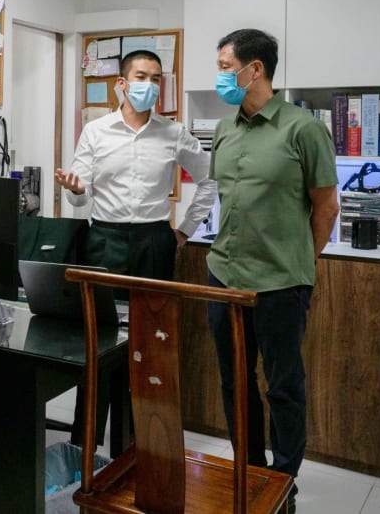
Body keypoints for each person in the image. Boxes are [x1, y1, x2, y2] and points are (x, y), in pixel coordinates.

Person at [206, 29, 339, 514]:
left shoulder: (303, 129)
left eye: (225, 65)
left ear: (254, 69)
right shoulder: (223, 130)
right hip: (224, 278)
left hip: (281, 284)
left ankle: (282, 482)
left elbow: (326, 208)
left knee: (282, 386)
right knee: (233, 382)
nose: (221, 74)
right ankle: (249, 471)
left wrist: (301, 261)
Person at [55, 48, 216, 444]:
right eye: (142, 76)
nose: (150, 85)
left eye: (156, 78)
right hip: (103, 240)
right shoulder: (96, 131)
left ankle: (142, 445)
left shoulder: (173, 132)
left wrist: (184, 230)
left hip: (154, 243)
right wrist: (76, 191)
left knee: (150, 344)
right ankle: (85, 446)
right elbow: (79, 196)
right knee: (99, 343)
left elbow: (211, 179)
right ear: (121, 84)